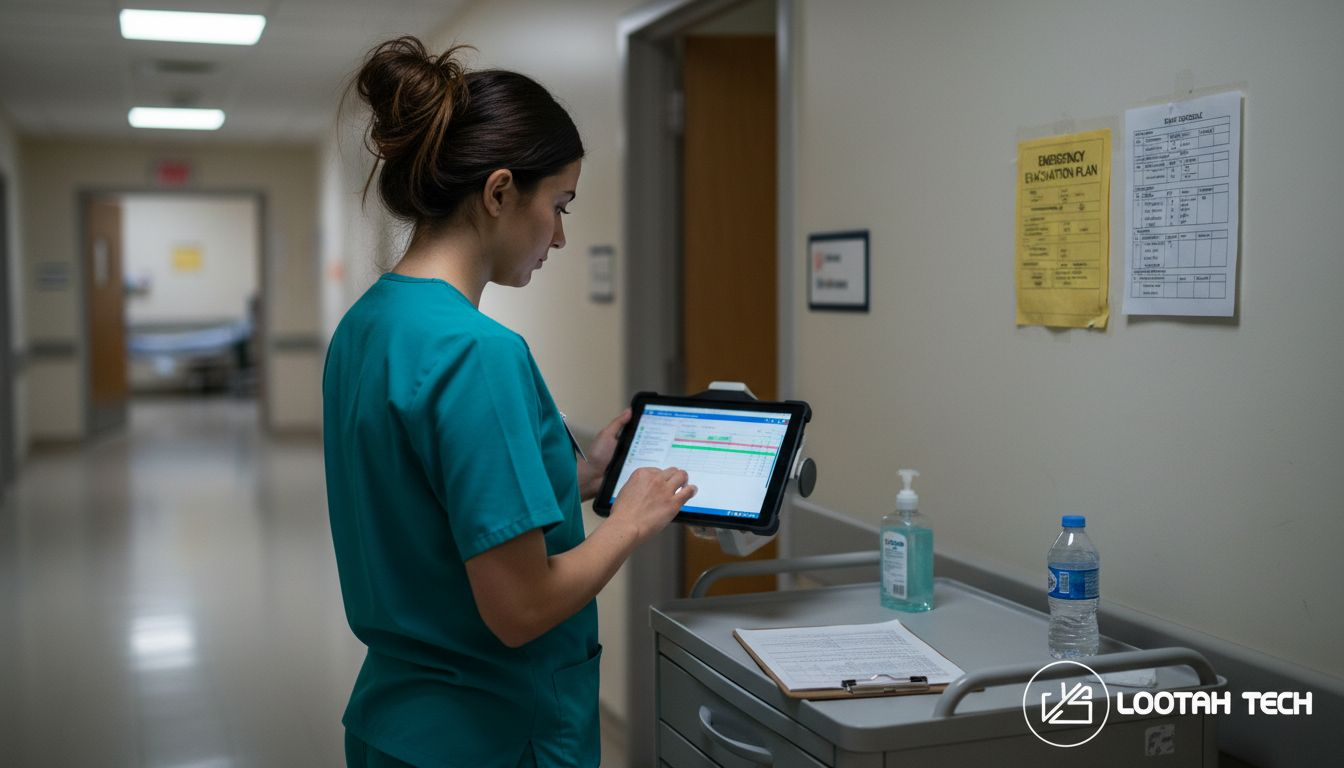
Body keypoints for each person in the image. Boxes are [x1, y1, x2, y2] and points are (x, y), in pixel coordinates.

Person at [323, 37, 697, 768]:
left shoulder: (366, 325)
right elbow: (521, 609)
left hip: (395, 725)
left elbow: (429, 504)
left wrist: (586, 476)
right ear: (498, 193)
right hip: (490, 734)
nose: (561, 235)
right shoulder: (478, 351)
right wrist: (630, 520)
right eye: (558, 205)